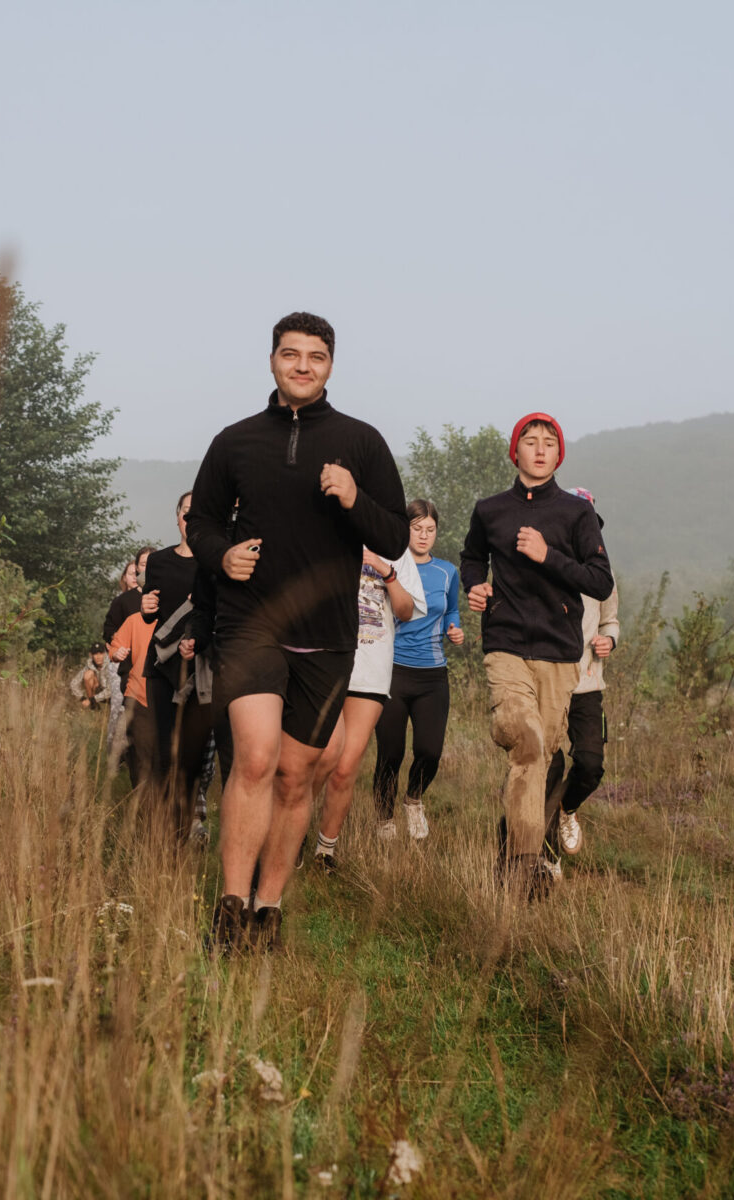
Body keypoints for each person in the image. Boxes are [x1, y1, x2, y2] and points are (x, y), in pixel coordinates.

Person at [187, 311, 408, 950]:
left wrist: (351, 497)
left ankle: (267, 910)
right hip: (251, 621)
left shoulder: (361, 442)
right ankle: (229, 910)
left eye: (315, 356)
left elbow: (394, 534)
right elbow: (200, 521)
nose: (302, 365)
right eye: (291, 354)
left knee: (295, 775)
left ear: (331, 365)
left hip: (329, 636)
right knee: (254, 758)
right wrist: (221, 555)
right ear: (273, 361)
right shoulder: (235, 441)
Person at [461, 412, 613, 897]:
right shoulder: (491, 510)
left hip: (558, 652)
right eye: (531, 441)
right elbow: (471, 557)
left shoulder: (576, 514)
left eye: (550, 442)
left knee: (539, 758)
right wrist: (474, 587)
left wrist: (548, 556)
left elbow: (599, 580)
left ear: (559, 454)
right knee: (524, 738)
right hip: (505, 643)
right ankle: (527, 865)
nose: (541, 448)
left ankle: (512, 863)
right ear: (516, 451)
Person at [310, 544, 424, 869]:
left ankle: (324, 852)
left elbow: (405, 610)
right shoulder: (330, 529)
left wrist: (383, 569)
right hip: (326, 661)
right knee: (319, 758)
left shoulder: (395, 545)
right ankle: (292, 829)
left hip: (372, 667)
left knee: (345, 767)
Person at [370, 499, 465, 842]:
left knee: (430, 751)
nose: (424, 536)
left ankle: (413, 799)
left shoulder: (447, 572)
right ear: (404, 529)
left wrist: (455, 629)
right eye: (417, 528)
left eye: (430, 530)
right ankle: (384, 819)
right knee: (390, 753)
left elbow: (452, 610)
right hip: (393, 670)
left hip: (432, 676)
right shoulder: (388, 566)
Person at [140, 492, 217, 841]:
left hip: (200, 668)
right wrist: (144, 607)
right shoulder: (157, 561)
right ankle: (159, 830)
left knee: (192, 754)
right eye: (186, 512)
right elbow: (151, 611)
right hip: (162, 667)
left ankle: (181, 828)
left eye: (197, 514)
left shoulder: (213, 565)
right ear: (177, 517)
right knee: (162, 752)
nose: (190, 519)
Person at [544, 556, 620, 865]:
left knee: (590, 763)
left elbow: (610, 620)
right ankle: (548, 858)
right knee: (549, 768)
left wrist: (610, 641)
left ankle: (567, 809)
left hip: (587, 686)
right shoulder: (543, 561)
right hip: (546, 683)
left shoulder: (603, 572)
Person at [103, 548, 154, 769]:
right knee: (134, 725)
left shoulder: (168, 597)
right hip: (130, 674)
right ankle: (127, 759)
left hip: (161, 675)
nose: (147, 567)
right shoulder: (124, 602)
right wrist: (120, 646)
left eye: (152, 562)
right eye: (143, 563)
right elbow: (109, 631)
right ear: (137, 567)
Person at [69, 641, 120, 714]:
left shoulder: (111, 665)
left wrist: (92, 699)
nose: (98, 657)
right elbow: (74, 683)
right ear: (91, 655)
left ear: (105, 654)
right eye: (95, 654)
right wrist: (82, 698)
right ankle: (94, 707)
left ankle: (95, 703)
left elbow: (110, 690)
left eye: (100, 653)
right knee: (88, 674)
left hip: (113, 695)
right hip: (98, 695)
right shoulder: (89, 665)